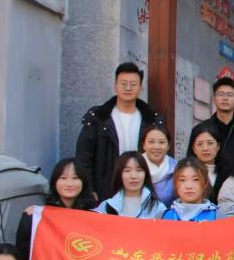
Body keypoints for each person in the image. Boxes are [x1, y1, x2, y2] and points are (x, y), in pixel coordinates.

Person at [75, 62, 165, 200]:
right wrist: (89, 190)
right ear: (115, 86)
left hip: (142, 191)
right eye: (123, 84)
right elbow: (84, 158)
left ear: (140, 88)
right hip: (105, 191)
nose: (128, 88)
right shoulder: (98, 118)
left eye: (133, 84)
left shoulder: (152, 119)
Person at [16, 158, 97, 260]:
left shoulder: (94, 215)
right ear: (55, 182)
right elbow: (22, 256)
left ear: (83, 182)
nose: (69, 184)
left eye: (75, 178)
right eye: (63, 178)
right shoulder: (36, 217)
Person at [194, 77, 234, 198]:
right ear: (214, 98)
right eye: (220, 94)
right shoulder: (201, 129)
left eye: (230, 95)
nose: (225, 98)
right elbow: (191, 161)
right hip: (206, 192)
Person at [94, 151, 167, 219]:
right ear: (119, 174)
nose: (133, 176)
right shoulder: (106, 207)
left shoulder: (158, 208)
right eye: (127, 170)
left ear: (146, 174)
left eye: (139, 170)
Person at [140, 124, 177, 207]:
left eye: (161, 142)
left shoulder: (177, 168)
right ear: (143, 145)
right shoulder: (134, 166)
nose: (156, 147)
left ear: (168, 146)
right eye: (151, 142)